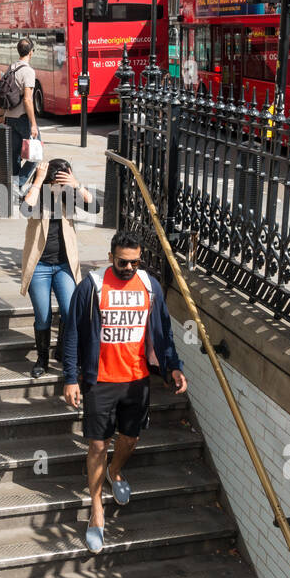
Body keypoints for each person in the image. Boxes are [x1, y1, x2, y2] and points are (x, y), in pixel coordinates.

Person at [62, 229, 188, 553]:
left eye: (134, 262)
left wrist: (174, 366)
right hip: (100, 380)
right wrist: (71, 378)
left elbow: (164, 333)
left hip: (136, 380)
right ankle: (96, 509)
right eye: (122, 262)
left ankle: (115, 472)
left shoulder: (150, 286)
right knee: (96, 445)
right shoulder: (92, 285)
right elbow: (72, 332)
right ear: (110, 257)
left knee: (130, 440)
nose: (129, 268)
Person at [21, 159, 94, 379]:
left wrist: (76, 183)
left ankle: (65, 354)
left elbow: (94, 206)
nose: (59, 185)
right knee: (43, 316)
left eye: (62, 181)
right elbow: (25, 209)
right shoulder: (37, 195)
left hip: (64, 265)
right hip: (40, 266)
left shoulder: (68, 196)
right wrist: (39, 180)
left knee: (71, 312)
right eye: (56, 180)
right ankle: (42, 359)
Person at [0, 38, 39, 189]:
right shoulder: (28, 71)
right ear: (31, 52)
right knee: (35, 155)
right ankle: (18, 185)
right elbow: (28, 100)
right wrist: (33, 124)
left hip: (9, 117)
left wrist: (1, 117)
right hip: (23, 119)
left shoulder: (11, 68)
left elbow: (2, 94)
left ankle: (14, 189)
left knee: (14, 155)